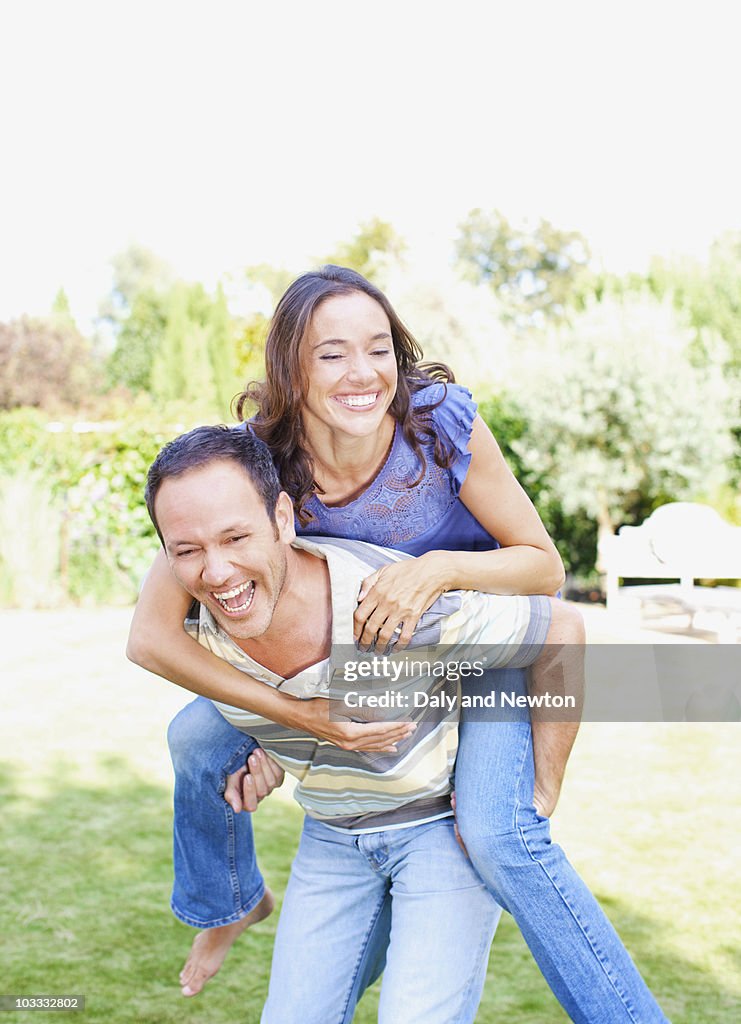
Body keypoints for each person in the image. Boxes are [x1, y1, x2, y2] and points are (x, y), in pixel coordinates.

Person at [128, 266, 669, 1022]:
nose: (363, 373)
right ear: (290, 367)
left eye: (378, 348)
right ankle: (231, 900)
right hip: (362, 656)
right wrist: (290, 725)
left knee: (494, 832)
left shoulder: (435, 422)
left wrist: (437, 570)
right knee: (195, 733)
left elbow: (544, 567)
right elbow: (152, 635)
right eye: (331, 354)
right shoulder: (254, 462)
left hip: (481, 640)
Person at [144, 424, 573, 1023]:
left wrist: (544, 787)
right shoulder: (200, 637)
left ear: (284, 520)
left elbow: (562, 630)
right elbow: (152, 645)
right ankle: (233, 906)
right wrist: (276, 737)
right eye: (187, 551)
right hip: (332, 836)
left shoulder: (387, 606)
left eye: (236, 537)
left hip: (437, 834)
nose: (216, 572)